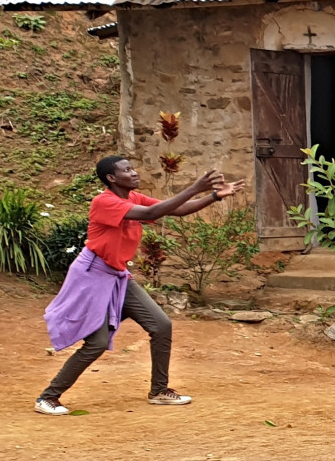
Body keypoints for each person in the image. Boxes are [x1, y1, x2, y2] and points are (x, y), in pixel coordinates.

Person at [37, 156, 242, 415]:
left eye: (132, 168)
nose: (134, 173)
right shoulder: (104, 202)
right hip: (92, 276)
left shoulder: (133, 197)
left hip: (118, 275)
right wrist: (195, 187)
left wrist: (214, 196)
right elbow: (152, 213)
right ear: (112, 178)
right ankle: (48, 397)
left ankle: (159, 391)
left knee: (161, 325)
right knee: (97, 343)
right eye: (127, 170)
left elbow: (175, 209)